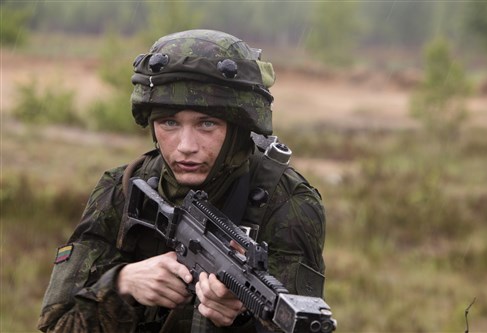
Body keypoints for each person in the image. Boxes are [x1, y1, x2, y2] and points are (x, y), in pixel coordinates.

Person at [37, 29, 326, 333]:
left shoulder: (288, 204)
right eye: (169, 123)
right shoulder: (121, 190)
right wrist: (122, 285)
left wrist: (239, 319)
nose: (186, 145)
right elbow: (57, 324)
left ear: (239, 128)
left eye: (207, 123)